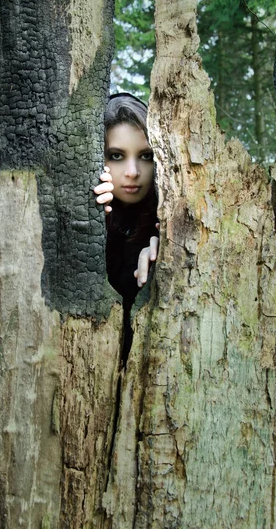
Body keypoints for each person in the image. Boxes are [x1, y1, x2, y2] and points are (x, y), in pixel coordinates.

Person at [93, 93, 159, 362]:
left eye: (145, 156)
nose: (133, 171)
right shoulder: (86, 214)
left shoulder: (167, 219)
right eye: (117, 155)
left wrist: (166, 252)